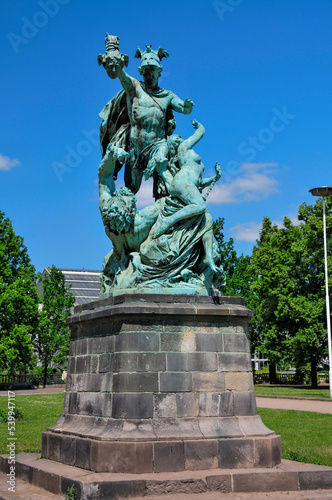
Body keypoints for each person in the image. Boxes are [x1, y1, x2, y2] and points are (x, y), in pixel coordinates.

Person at [98, 35, 194, 195]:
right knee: (130, 189)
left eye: (153, 71)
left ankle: (176, 200)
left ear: (159, 72)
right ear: (141, 72)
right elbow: (119, 72)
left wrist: (187, 107)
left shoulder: (167, 95)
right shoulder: (134, 88)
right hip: (135, 149)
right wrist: (113, 51)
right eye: (146, 71)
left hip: (158, 145)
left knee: (163, 180)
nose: (149, 75)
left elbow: (183, 109)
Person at [150, 120, 222, 272]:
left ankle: (208, 258)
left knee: (207, 219)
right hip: (183, 181)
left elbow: (201, 181)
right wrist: (200, 127)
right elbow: (200, 133)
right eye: (177, 139)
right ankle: (168, 221)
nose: (180, 139)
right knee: (201, 207)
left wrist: (215, 177)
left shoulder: (188, 156)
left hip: (187, 184)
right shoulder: (183, 148)